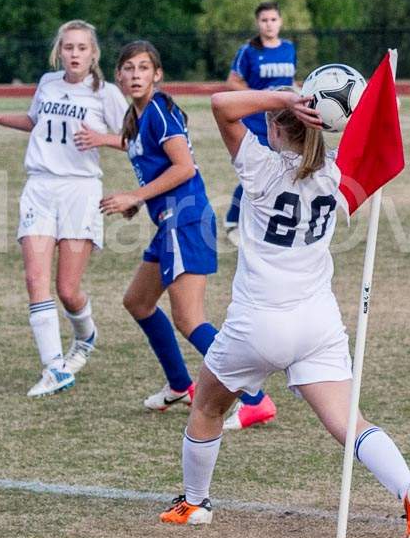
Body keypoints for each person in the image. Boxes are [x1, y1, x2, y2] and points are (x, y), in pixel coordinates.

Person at [158, 88, 410, 538]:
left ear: (273, 126)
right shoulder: (333, 174)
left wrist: (281, 96)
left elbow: (221, 105)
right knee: (351, 424)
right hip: (317, 323)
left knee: (207, 407)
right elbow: (364, 165)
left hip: (259, 322)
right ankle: (409, 489)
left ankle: (195, 503)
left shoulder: (260, 166)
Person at [76, 40, 276, 427]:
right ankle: (181, 385)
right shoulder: (137, 118)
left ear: (157, 74)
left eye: (143, 68)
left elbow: (184, 168)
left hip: (184, 220)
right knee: (137, 301)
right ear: (118, 76)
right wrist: (138, 201)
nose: (135, 75)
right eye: (129, 69)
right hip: (169, 222)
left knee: (189, 319)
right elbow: (149, 160)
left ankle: (255, 399)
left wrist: (135, 194)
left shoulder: (160, 109)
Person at [0, 19, 127, 397]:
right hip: (40, 187)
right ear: (59, 51)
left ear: (93, 53)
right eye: (68, 47)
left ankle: (85, 338)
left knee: (68, 290)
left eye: (82, 48)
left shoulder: (105, 93)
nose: (75, 54)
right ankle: (54, 367)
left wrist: (102, 138)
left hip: (80, 191)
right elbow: (36, 121)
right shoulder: (47, 83)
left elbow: (133, 140)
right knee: (35, 280)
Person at [223, 1, 297, 245]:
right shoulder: (249, 51)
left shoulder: (288, 48)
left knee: (284, 168)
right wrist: (258, 97)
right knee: (255, 171)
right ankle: (233, 220)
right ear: (258, 23)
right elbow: (232, 82)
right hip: (257, 120)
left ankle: (270, 219)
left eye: (273, 19)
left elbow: (290, 80)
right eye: (264, 20)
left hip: (284, 120)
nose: (269, 24)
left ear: (281, 21)